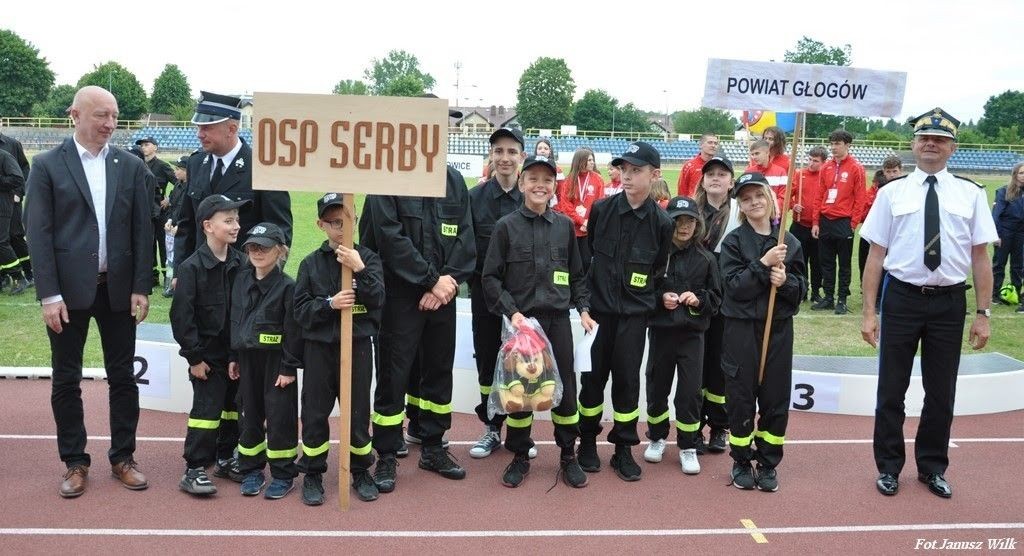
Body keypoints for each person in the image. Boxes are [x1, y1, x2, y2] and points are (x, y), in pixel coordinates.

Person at [24, 85, 153, 498]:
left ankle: (123, 458)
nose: (110, 124)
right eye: (101, 115)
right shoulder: (46, 165)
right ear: (74, 114)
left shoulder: (130, 165)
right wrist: (48, 295)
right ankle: (75, 462)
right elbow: (38, 234)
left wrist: (140, 286)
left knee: (123, 378)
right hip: (65, 294)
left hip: (117, 291)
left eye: (114, 116)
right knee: (66, 379)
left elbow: (142, 229)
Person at [861, 108, 997, 499]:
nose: (930, 144)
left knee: (941, 392)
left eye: (939, 139)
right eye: (924, 138)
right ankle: (888, 468)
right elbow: (875, 256)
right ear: (913, 144)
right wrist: (870, 313)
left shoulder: (970, 194)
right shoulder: (891, 193)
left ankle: (932, 467)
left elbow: (981, 258)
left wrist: (983, 315)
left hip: (949, 303)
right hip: (901, 298)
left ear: (952, 147)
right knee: (891, 390)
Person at [481, 154, 597, 488]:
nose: (540, 186)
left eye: (547, 180)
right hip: (523, 326)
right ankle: (519, 455)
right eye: (533, 179)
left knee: (566, 394)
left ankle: (567, 455)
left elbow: (577, 276)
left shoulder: (563, 226)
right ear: (521, 184)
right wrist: (512, 313)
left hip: (558, 321)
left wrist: (584, 310)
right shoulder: (505, 228)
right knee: (521, 393)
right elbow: (491, 278)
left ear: (553, 187)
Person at [359, 164, 475, 492]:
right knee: (393, 377)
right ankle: (386, 454)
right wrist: (430, 280)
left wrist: (444, 284)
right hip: (399, 297)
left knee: (438, 372)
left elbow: (465, 239)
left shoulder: (453, 180)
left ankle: (434, 446)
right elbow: (388, 238)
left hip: (443, 295)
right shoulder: (387, 177)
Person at [577, 141, 673, 482]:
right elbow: (589, 261)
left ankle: (622, 449)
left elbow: (658, 271)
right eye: (624, 170)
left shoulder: (662, 223)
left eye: (636, 170)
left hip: (634, 317)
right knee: (591, 381)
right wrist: (586, 305)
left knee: (627, 384)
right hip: (599, 315)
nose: (627, 176)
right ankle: (586, 441)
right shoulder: (601, 210)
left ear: (654, 175)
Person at [294, 193, 385, 504]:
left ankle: (360, 470)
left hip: (358, 346)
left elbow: (378, 300)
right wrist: (328, 305)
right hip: (320, 350)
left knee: (358, 412)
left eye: (347, 220)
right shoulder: (310, 264)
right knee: (315, 412)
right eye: (334, 222)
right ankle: (313, 472)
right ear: (321, 225)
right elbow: (300, 311)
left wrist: (360, 270)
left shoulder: (368, 259)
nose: (342, 228)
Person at [719, 172, 806, 492]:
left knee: (775, 397)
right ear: (740, 205)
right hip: (741, 329)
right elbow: (733, 288)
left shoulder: (790, 242)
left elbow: (801, 292)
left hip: (779, 330)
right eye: (746, 198)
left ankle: (768, 462)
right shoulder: (733, 242)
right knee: (741, 396)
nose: (753, 202)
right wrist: (762, 264)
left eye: (758, 195)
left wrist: (786, 284)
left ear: (770, 197)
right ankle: (741, 459)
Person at [171, 194, 249, 496]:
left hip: (232, 355)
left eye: (237, 220)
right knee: (207, 411)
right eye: (228, 221)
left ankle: (225, 456)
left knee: (232, 408)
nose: (236, 226)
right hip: (205, 357)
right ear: (207, 226)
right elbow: (182, 317)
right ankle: (195, 467)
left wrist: (237, 354)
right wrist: (194, 357)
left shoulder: (241, 262)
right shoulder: (191, 269)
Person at [643, 195, 722, 474]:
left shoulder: (706, 259)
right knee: (656, 388)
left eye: (690, 220)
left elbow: (716, 299)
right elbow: (642, 293)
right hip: (662, 334)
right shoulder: (656, 255)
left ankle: (688, 446)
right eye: (678, 220)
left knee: (689, 394)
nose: (684, 226)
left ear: (697, 224)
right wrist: (660, 298)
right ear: (669, 223)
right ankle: (656, 438)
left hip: (692, 337)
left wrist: (698, 300)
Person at [174, 91, 293, 265]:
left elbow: (279, 231)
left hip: (244, 277)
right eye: (198, 127)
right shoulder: (196, 163)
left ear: (232, 129)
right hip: (199, 275)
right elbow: (186, 224)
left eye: (207, 127)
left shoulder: (264, 167)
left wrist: (264, 281)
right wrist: (180, 271)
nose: (199, 134)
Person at [231, 222, 302, 500]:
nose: (257, 252)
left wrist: (288, 367)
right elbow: (235, 320)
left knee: (280, 416)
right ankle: (251, 469)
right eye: (252, 247)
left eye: (264, 247)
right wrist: (233, 356)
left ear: (280, 251)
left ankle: (283, 474)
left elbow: (293, 332)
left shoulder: (288, 287)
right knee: (249, 414)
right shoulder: (241, 280)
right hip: (247, 360)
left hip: (276, 364)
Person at [467, 127, 525, 459]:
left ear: (522, 157)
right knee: (489, 362)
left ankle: (519, 433)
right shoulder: (473, 199)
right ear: (491, 155)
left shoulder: (531, 198)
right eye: (498, 151)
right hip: (485, 299)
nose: (504, 158)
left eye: (511, 151)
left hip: (522, 302)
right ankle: (491, 428)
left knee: (520, 364)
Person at [693, 156, 741, 454]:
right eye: (710, 173)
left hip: (727, 301)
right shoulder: (690, 209)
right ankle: (693, 426)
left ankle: (719, 427)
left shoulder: (740, 211)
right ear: (703, 179)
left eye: (722, 174)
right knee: (695, 367)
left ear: (730, 181)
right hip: (696, 298)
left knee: (719, 369)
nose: (715, 178)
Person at [811, 129, 866, 315]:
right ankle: (828, 297)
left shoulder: (856, 168)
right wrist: (816, 222)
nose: (834, 147)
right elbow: (819, 195)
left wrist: (853, 223)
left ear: (847, 145)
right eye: (832, 143)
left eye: (838, 144)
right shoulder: (825, 167)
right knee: (826, 262)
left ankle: (842, 298)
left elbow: (860, 198)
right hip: (825, 220)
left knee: (844, 263)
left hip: (844, 221)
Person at [135, 136, 177, 290]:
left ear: (155, 147)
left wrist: (169, 199)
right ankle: (152, 278)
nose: (143, 148)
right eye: (142, 146)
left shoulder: (162, 166)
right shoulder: (138, 165)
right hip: (144, 213)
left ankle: (168, 277)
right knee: (148, 245)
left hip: (161, 213)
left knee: (164, 246)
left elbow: (180, 183)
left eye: (147, 145)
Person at [555, 148, 605, 273]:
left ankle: (585, 289)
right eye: (589, 160)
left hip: (589, 230)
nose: (592, 162)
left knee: (587, 262)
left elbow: (600, 203)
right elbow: (566, 206)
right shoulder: (569, 180)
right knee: (571, 262)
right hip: (573, 229)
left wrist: (589, 222)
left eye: (592, 159)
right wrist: (581, 221)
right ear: (580, 161)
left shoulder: (598, 179)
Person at [789, 146, 827, 302]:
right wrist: (793, 205)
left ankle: (816, 292)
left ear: (823, 162)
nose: (811, 163)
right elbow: (787, 195)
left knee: (817, 261)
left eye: (816, 161)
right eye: (810, 159)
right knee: (799, 260)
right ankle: (802, 289)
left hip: (818, 227)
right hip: (799, 225)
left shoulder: (826, 177)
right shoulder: (799, 175)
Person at [858, 156, 904, 286]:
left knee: (890, 265)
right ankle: (867, 288)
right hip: (876, 230)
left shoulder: (906, 189)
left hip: (895, 234)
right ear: (884, 172)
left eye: (895, 171)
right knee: (869, 260)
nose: (892, 175)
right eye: (889, 171)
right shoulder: (877, 189)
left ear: (901, 170)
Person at [0, 129, 32, 293]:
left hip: (10, 199)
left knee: (13, 236)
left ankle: (27, 273)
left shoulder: (10, 147)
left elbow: (21, 173)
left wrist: (19, 193)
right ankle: (4, 276)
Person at [991, 162, 1024, 312]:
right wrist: (996, 235)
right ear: (1015, 174)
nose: (1023, 176)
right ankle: (995, 294)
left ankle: (1016, 292)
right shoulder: (1003, 192)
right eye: (1021, 173)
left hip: (1021, 234)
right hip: (1005, 232)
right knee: (999, 264)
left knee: (1018, 266)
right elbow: (996, 216)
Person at [162, 156, 190, 298]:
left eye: (179, 169)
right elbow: (173, 206)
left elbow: (187, 210)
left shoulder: (190, 188)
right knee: (171, 258)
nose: (175, 172)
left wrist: (179, 226)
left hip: (183, 229)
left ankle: (179, 285)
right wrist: (169, 220)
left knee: (181, 257)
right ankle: (170, 284)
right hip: (172, 227)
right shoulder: (177, 186)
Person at [744, 139, 787, 216]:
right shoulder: (748, 172)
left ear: (767, 152)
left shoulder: (781, 172)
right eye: (752, 154)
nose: (754, 157)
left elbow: (783, 198)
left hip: (774, 216)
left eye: (757, 153)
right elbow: (745, 196)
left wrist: (769, 210)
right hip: (755, 216)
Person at [676, 133, 719, 197]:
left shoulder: (719, 166)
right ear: (701, 145)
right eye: (710, 142)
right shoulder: (689, 166)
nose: (713, 145)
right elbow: (682, 191)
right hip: (694, 205)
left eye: (715, 143)